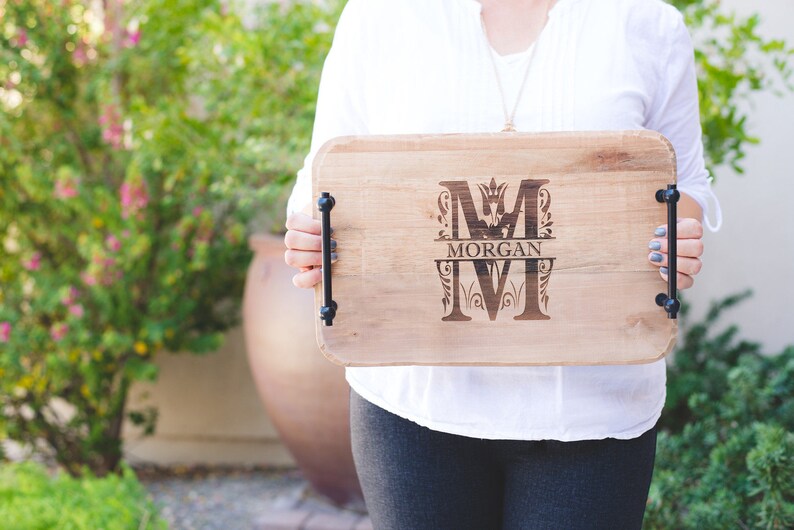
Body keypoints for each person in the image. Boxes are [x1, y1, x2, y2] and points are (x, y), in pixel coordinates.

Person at [283, 0, 722, 528]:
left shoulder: (645, 22)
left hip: (593, 411)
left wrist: (678, 236)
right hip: (412, 406)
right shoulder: (380, 15)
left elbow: (684, 183)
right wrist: (309, 235)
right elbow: (325, 176)